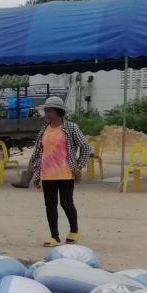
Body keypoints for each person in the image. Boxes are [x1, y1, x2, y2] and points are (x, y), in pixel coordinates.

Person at [26, 96, 90, 246]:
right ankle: (54, 236)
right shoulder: (44, 129)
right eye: (46, 110)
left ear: (59, 112)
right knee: (50, 205)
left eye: (50, 111)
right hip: (47, 173)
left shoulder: (71, 127)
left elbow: (85, 147)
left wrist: (79, 166)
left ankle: (74, 231)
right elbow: (38, 150)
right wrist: (33, 165)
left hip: (66, 172)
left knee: (66, 202)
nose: (47, 113)